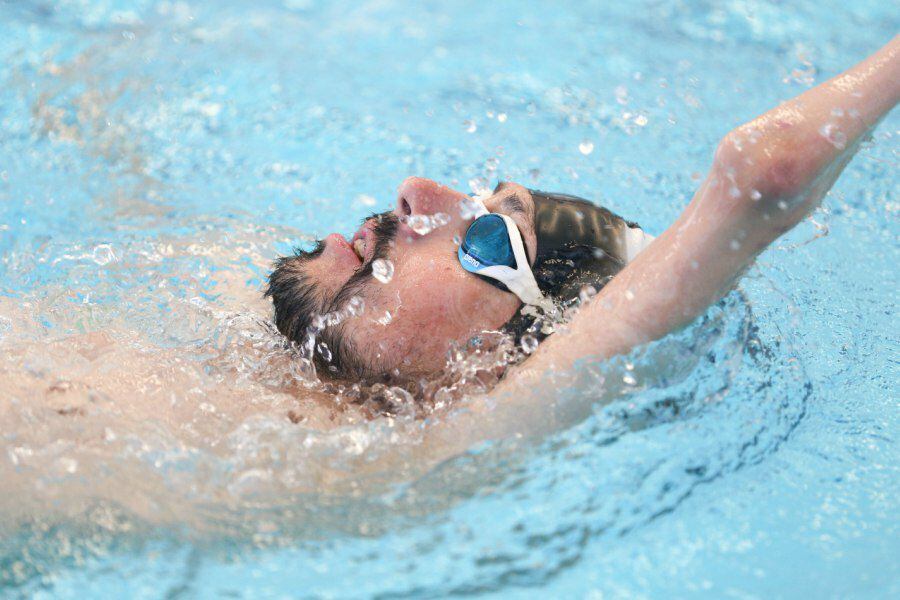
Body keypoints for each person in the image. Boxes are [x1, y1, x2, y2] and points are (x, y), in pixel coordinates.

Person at [266, 36, 899, 401]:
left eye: (489, 238)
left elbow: (764, 176)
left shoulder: (461, 444)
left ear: (498, 364)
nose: (416, 194)